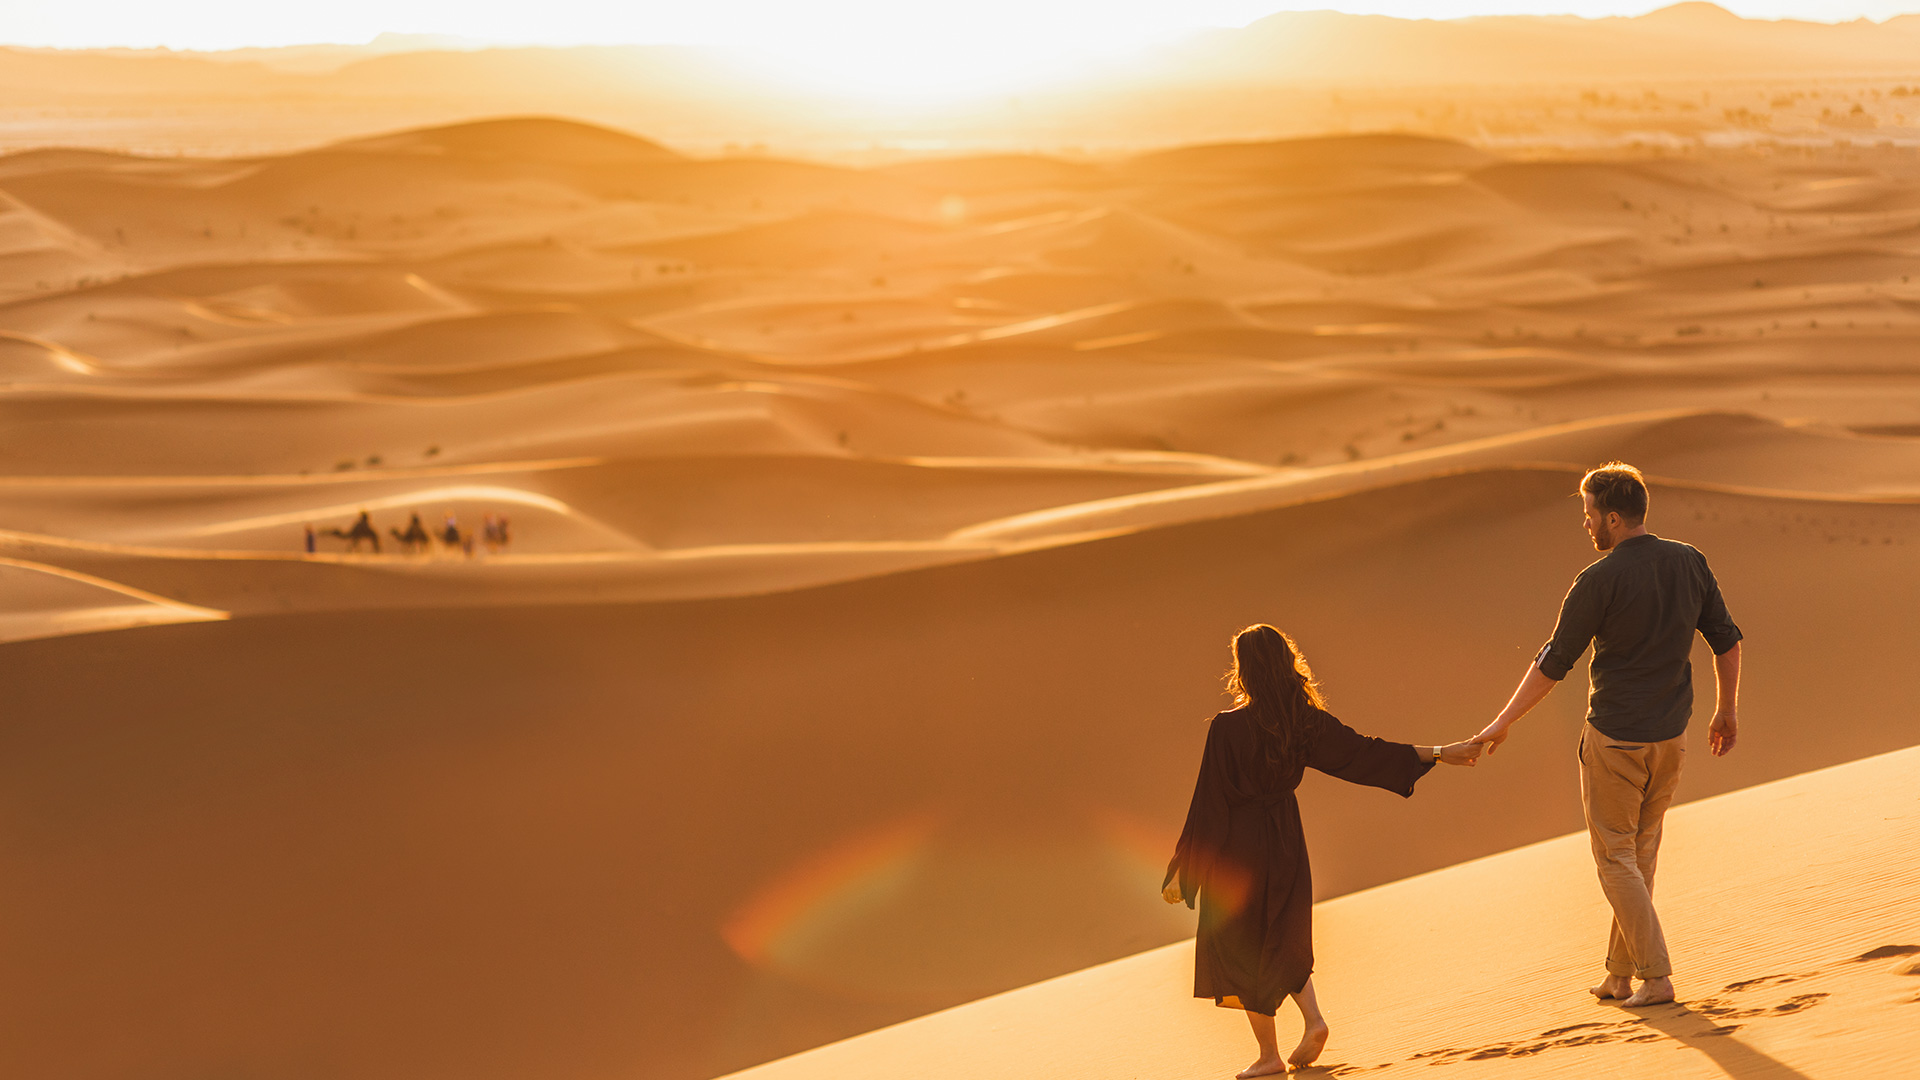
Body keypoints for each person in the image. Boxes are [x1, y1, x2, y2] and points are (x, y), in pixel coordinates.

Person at [1472, 462, 1742, 1009]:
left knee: (1615, 857)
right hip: (1672, 737)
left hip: (1616, 740)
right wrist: (1726, 711)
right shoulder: (1689, 561)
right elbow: (1728, 641)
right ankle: (1619, 975)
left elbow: (1554, 660)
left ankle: (1656, 975)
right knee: (1638, 855)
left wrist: (1502, 721)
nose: (1586, 523)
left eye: (1589, 512)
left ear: (1613, 518)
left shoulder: (1599, 580)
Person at [1163, 625, 1483, 1076]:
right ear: (1284, 662)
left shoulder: (1228, 728)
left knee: (1240, 945)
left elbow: (1209, 801)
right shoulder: (1303, 719)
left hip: (1238, 846)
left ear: (1244, 670)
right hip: (1285, 838)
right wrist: (1436, 752)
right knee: (1280, 931)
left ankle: (1269, 1056)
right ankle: (1312, 1019)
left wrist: (1186, 868)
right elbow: (1361, 755)